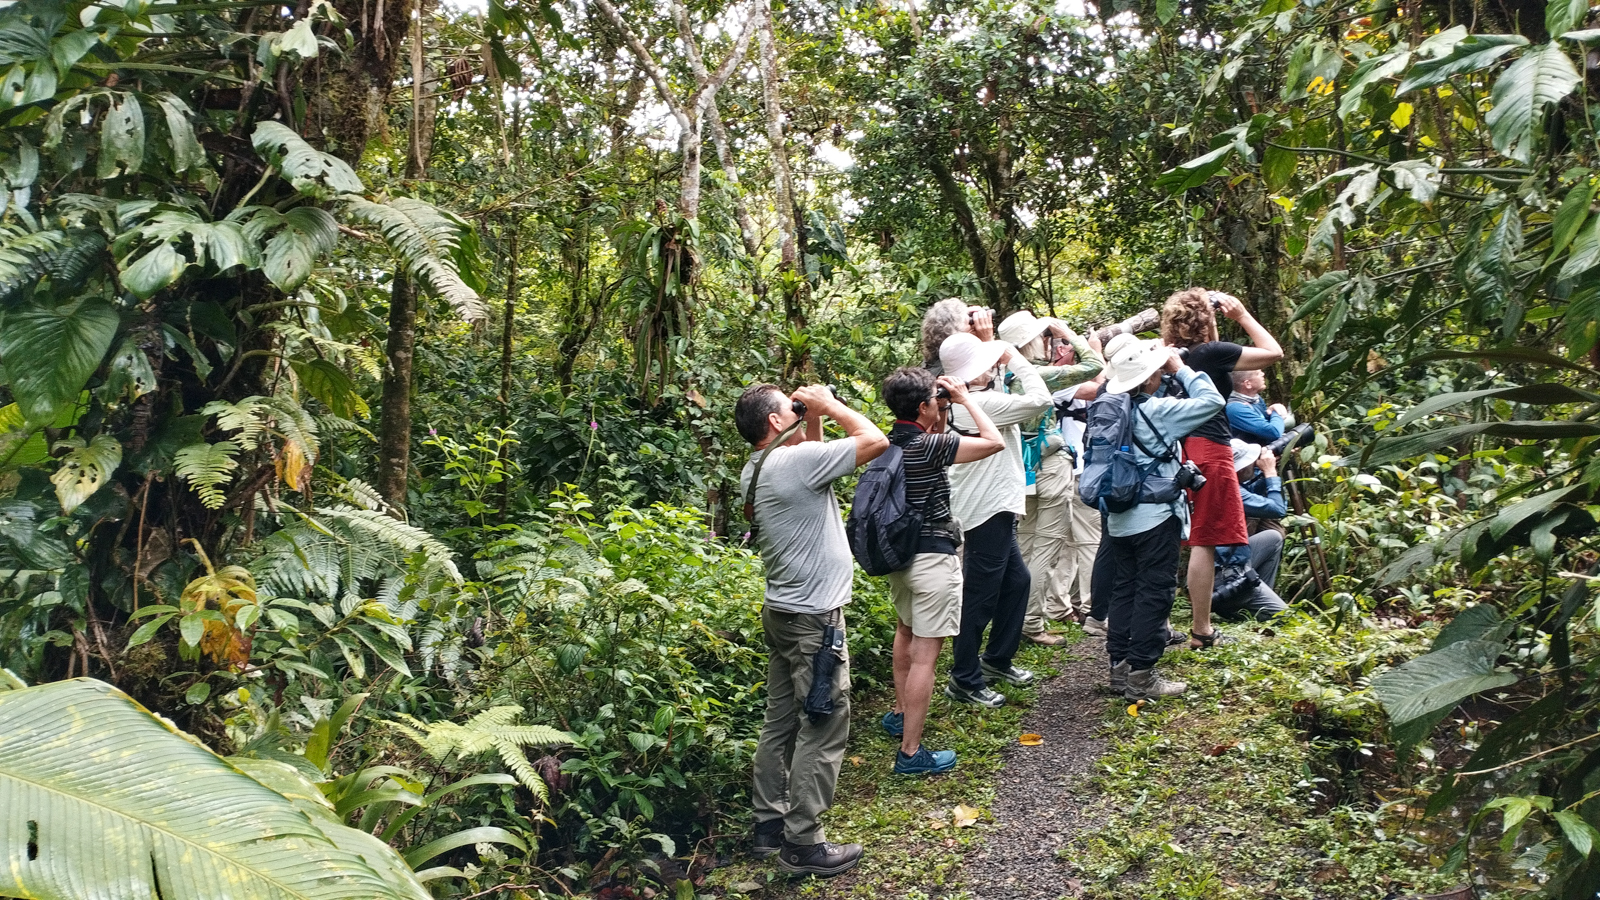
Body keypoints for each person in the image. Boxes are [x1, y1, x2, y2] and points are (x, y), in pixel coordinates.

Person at [736, 383, 889, 876]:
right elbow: (875, 439)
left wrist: (811, 418)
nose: (797, 410)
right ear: (776, 423)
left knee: (779, 721)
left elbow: (813, 454)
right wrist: (830, 405)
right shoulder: (793, 465)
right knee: (822, 724)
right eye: (790, 406)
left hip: (782, 613)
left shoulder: (757, 468)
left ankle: (768, 827)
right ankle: (804, 843)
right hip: (814, 622)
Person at [878, 367, 1004, 775]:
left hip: (899, 559)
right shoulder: (930, 448)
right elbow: (993, 442)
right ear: (922, 406)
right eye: (935, 399)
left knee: (905, 631)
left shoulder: (885, 445)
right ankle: (911, 752)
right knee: (926, 658)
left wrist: (942, 411)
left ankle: (900, 713)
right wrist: (966, 399)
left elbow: (935, 442)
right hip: (933, 558)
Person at [1096, 338, 1224, 700]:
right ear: (1150, 377)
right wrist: (1181, 368)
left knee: (1125, 589)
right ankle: (1142, 675)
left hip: (1118, 516)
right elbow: (1213, 402)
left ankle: (1119, 668)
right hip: (1154, 517)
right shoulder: (1159, 411)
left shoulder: (1107, 408)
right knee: (1154, 592)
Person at [1159, 289, 1283, 650]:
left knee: (1172, 532)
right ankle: (1202, 628)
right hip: (1209, 448)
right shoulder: (1211, 354)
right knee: (1206, 537)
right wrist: (1241, 315)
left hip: (1174, 448)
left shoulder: (1169, 354)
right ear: (1206, 318)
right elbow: (1273, 352)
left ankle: (1163, 623)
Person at [940, 325, 1053, 707]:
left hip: (993, 505)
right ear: (973, 374)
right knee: (979, 594)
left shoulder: (971, 402)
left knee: (1017, 581)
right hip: (986, 509)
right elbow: (1040, 399)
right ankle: (964, 677)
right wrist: (1014, 357)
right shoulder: (980, 405)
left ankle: (997, 659)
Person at [995, 311, 1104, 645]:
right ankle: (1030, 623)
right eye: (1043, 337)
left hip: (1020, 468)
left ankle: (1015, 618)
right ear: (1030, 342)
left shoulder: (998, 376)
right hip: (1050, 464)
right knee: (1048, 545)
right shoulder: (1037, 375)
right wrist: (1069, 332)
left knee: (1025, 544)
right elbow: (1094, 366)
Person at [1212, 440, 1289, 621]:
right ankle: (1241, 601)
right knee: (1287, 618)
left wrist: (1269, 474)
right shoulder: (1232, 491)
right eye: (1250, 461)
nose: (1254, 463)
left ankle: (1251, 598)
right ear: (1238, 468)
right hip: (1226, 577)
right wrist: (1270, 473)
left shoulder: (1224, 483)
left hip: (1221, 570)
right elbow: (1277, 509)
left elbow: (1254, 493)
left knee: (1273, 537)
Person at [1227, 369, 1293, 443]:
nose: (1263, 374)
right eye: (1258, 373)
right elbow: (1273, 432)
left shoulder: (1255, 398)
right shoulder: (1235, 408)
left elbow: (1267, 421)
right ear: (1248, 384)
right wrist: (1276, 411)